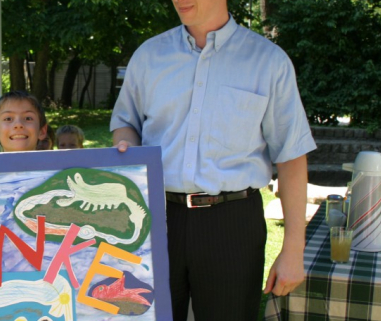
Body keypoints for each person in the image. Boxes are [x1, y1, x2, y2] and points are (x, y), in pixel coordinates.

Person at [110, 0, 316, 319]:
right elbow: (125, 122)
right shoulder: (149, 56)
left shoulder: (268, 61)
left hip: (232, 224)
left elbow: (291, 157)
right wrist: (126, 144)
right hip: (155, 219)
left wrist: (293, 249)